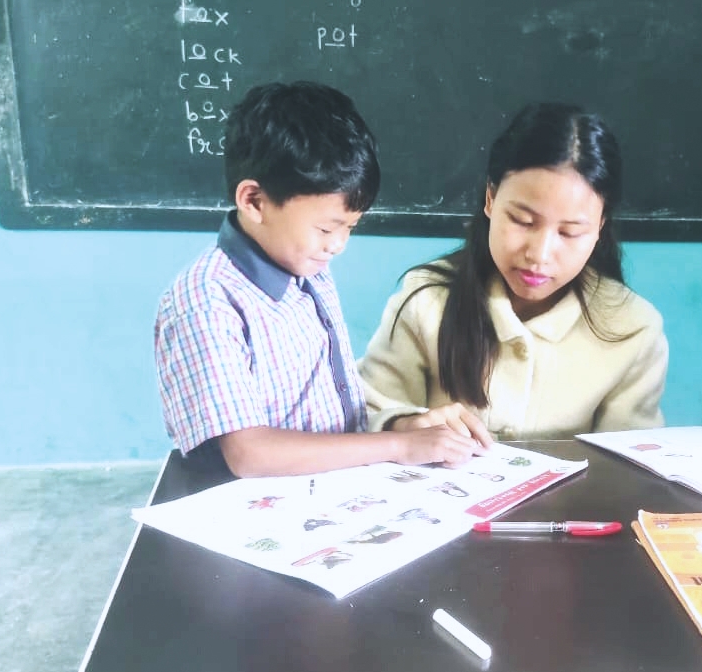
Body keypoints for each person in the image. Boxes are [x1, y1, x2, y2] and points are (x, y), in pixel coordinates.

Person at [154, 81, 491, 477]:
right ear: (254, 201)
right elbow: (250, 454)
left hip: (330, 495)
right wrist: (398, 445)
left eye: (350, 227)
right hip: (251, 515)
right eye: (327, 229)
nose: (339, 245)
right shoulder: (207, 300)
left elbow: (327, 411)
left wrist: (402, 425)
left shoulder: (305, 266)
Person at [357, 102, 668, 441]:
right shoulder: (427, 299)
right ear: (490, 199)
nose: (539, 254)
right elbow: (368, 409)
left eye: (569, 232)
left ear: (599, 227)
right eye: (523, 221)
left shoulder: (632, 328)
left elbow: (631, 464)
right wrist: (404, 424)